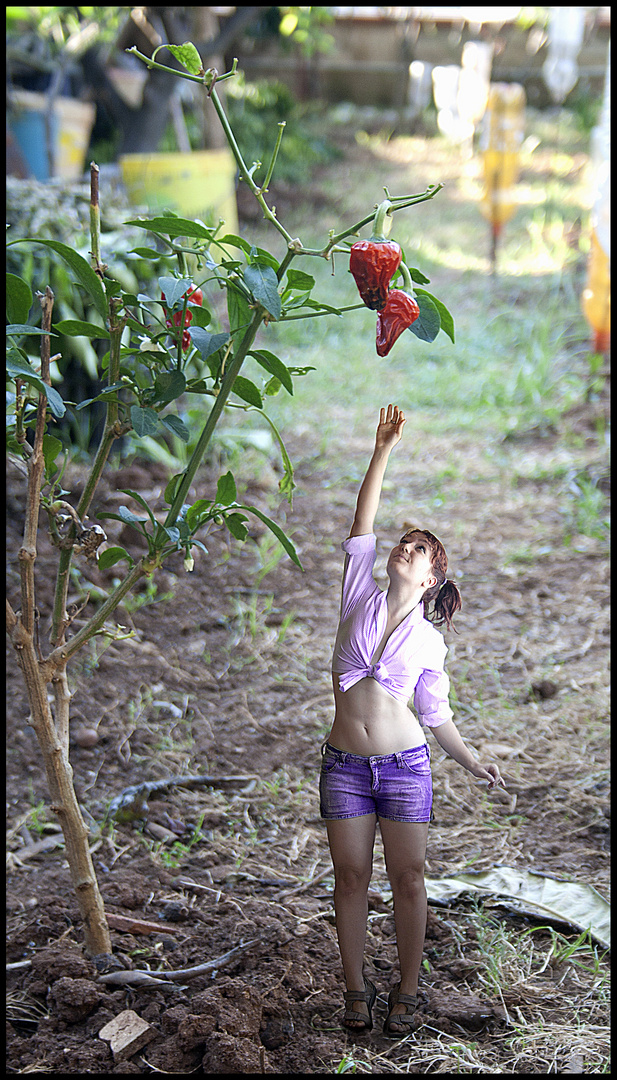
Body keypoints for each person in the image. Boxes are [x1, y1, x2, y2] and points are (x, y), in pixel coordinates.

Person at [320, 403, 505, 1037]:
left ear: (432, 579)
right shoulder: (358, 594)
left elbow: (438, 717)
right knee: (350, 876)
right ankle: (354, 989)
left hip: (404, 767)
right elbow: (360, 523)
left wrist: (475, 762)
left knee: (408, 878)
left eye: (421, 549)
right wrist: (383, 450)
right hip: (344, 766)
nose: (407, 548)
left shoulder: (430, 642)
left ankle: (406, 988)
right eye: (406, 542)